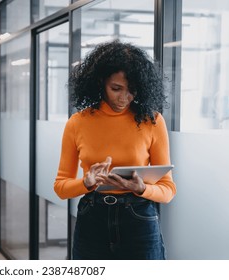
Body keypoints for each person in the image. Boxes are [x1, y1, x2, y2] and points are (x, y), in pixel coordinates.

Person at [54, 40, 176, 260]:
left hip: (139, 217)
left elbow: (167, 190)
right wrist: (86, 183)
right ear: (100, 82)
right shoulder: (77, 122)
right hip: (93, 217)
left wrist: (142, 189)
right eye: (116, 89)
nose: (124, 98)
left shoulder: (153, 121)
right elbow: (61, 187)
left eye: (132, 91)